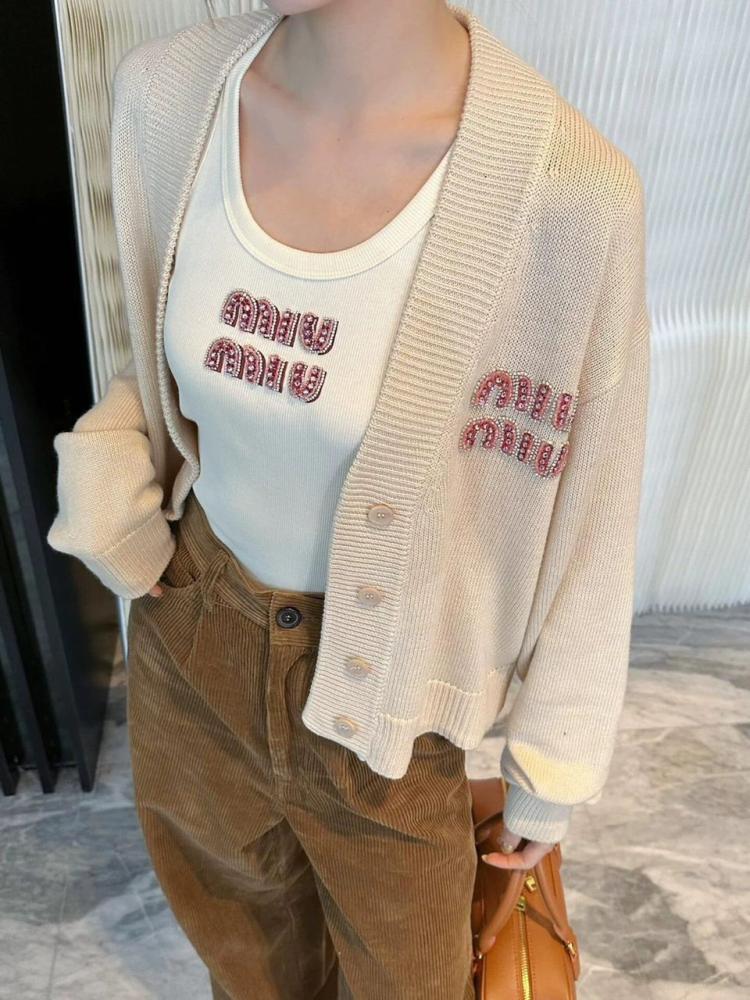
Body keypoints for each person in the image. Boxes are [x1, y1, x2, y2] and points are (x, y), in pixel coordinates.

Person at [46, 0, 650, 997]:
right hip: (192, 637)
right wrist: (113, 498)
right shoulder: (168, 96)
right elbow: (150, 354)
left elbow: (595, 506)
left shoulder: (572, 197)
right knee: (249, 966)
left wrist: (553, 765)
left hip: (395, 706)